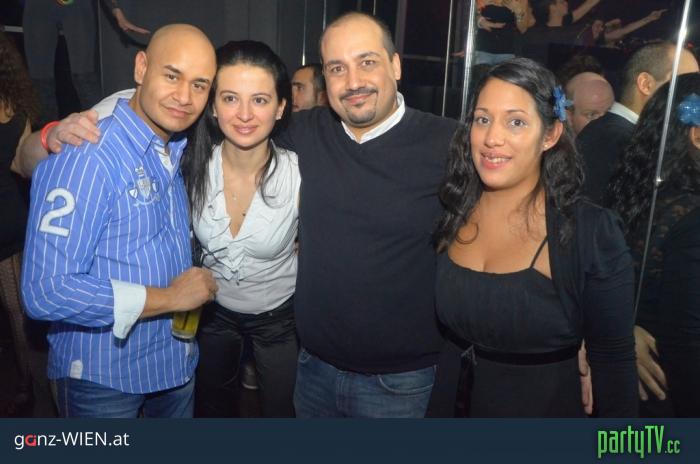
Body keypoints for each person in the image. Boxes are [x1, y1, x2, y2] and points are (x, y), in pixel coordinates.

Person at [20, 24, 218, 418]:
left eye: (199, 85)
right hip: (104, 379)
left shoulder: (174, 148)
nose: (184, 96)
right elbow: (45, 291)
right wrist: (171, 298)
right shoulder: (89, 152)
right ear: (141, 67)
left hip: (173, 365)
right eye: (172, 76)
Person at [433, 57, 637, 417]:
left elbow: (614, 364)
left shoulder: (588, 232)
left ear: (550, 135)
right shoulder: (452, 207)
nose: (492, 138)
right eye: (482, 119)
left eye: (516, 122)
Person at [182, 40, 299, 418]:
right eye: (230, 98)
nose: (244, 114)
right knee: (211, 408)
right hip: (213, 312)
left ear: (280, 107)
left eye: (260, 100)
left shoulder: (299, 174)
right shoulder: (190, 164)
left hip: (279, 319)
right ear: (213, 105)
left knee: (282, 412)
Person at [609, 73, 700, 417]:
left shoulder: (639, 195)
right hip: (670, 399)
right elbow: (689, 343)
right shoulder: (690, 218)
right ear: (697, 135)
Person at [577, 42, 699, 205]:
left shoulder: (613, 132)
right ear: (646, 84)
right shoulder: (622, 141)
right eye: (684, 83)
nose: (693, 97)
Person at [22, 0, 148, 124]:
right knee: (40, 82)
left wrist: (116, 9)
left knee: (84, 78)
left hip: (77, 7)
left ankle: (100, 129)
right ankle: (45, 133)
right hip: (40, 7)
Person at [0, 31, 39, 416]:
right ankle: (32, 386)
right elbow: (23, 167)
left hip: (8, 225)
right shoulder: (18, 105)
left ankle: (31, 387)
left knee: (18, 315)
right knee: (20, 315)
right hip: (15, 218)